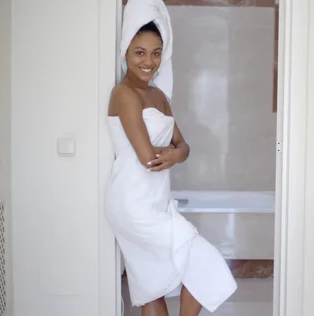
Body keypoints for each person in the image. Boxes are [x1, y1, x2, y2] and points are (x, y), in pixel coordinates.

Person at [106, 21, 237, 316]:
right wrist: (174, 153)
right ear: (125, 53)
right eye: (139, 52)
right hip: (133, 204)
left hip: (157, 201)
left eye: (156, 53)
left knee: (149, 284)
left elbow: (184, 146)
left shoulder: (159, 96)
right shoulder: (123, 94)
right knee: (204, 261)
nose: (148, 62)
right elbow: (148, 158)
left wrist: (176, 155)